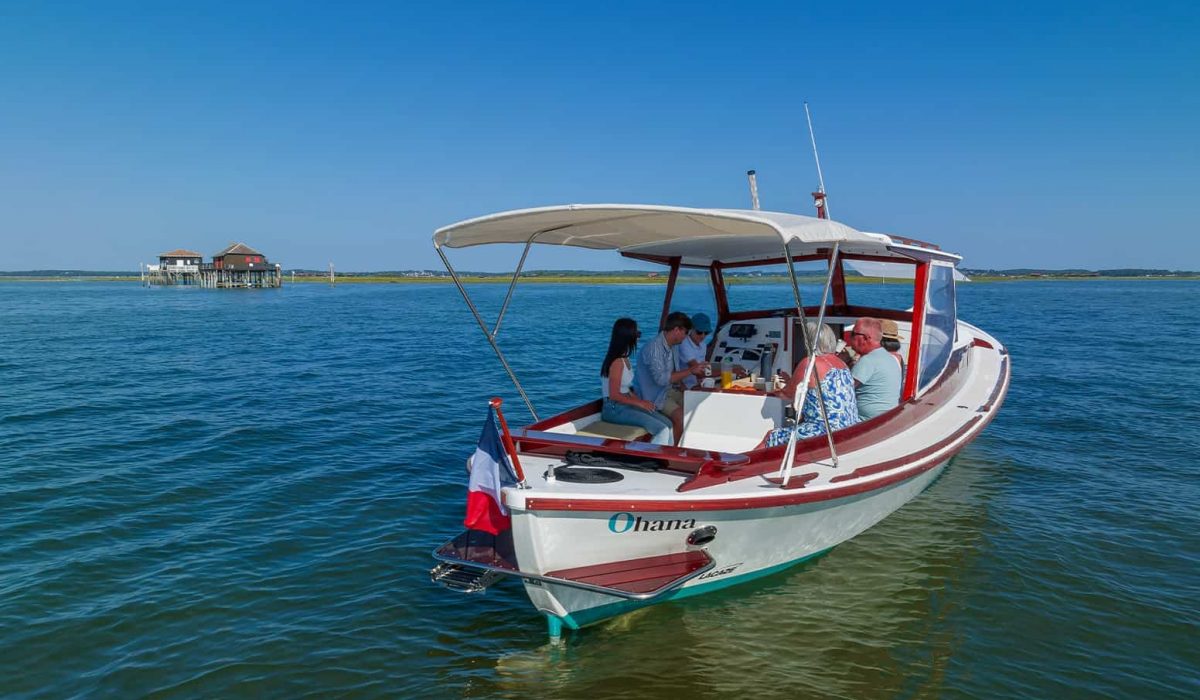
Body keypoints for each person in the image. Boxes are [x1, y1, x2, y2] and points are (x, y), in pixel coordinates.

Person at [761, 321, 860, 447]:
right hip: (850, 427)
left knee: (771, 436)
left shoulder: (811, 363)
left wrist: (770, 392)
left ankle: (746, 460)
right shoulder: (842, 364)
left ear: (810, 342)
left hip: (826, 431)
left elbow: (787, 395)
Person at [634, 311, 706, 443]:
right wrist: (691, 370)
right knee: (680, 416)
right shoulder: (654, 348)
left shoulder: (673, 346)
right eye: (686, 333)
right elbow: (662, 379)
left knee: (697, 406)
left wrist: (685, 389)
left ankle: (691, 445)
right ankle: (675, 450)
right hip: (654, 397)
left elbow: (675, 373)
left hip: (669, 391)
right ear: (676, 330)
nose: (686, 337)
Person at [599, 318, 674, 445]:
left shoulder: (625, 358)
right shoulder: (617, 362)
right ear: (627, 336)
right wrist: (640, 403)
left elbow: (626, 389)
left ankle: (667, 454)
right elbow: (614, 395)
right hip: (614, 409)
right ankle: (652, 456)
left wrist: (642, 402)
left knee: (669, 424)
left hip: (624, 405)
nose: (638, 337)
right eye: (637, 334)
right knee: (662, 430)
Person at [846, 317, 902, 420]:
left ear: (865, 338)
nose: (850, 338)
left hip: (865, 421)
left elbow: (843, 391)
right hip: (887, 417)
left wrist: (840, 363)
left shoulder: (868, 360)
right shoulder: (888, 357)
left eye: (853, 334)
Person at [678, 312, 712, 389]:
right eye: (699, 332)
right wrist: (727, 371)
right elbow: (699, 372)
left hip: (698, 384)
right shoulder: (684, 344)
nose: (703, 336)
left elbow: (704, 370)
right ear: (691, 329)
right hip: (687, 387)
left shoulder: (703, 345)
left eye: (706, 333)